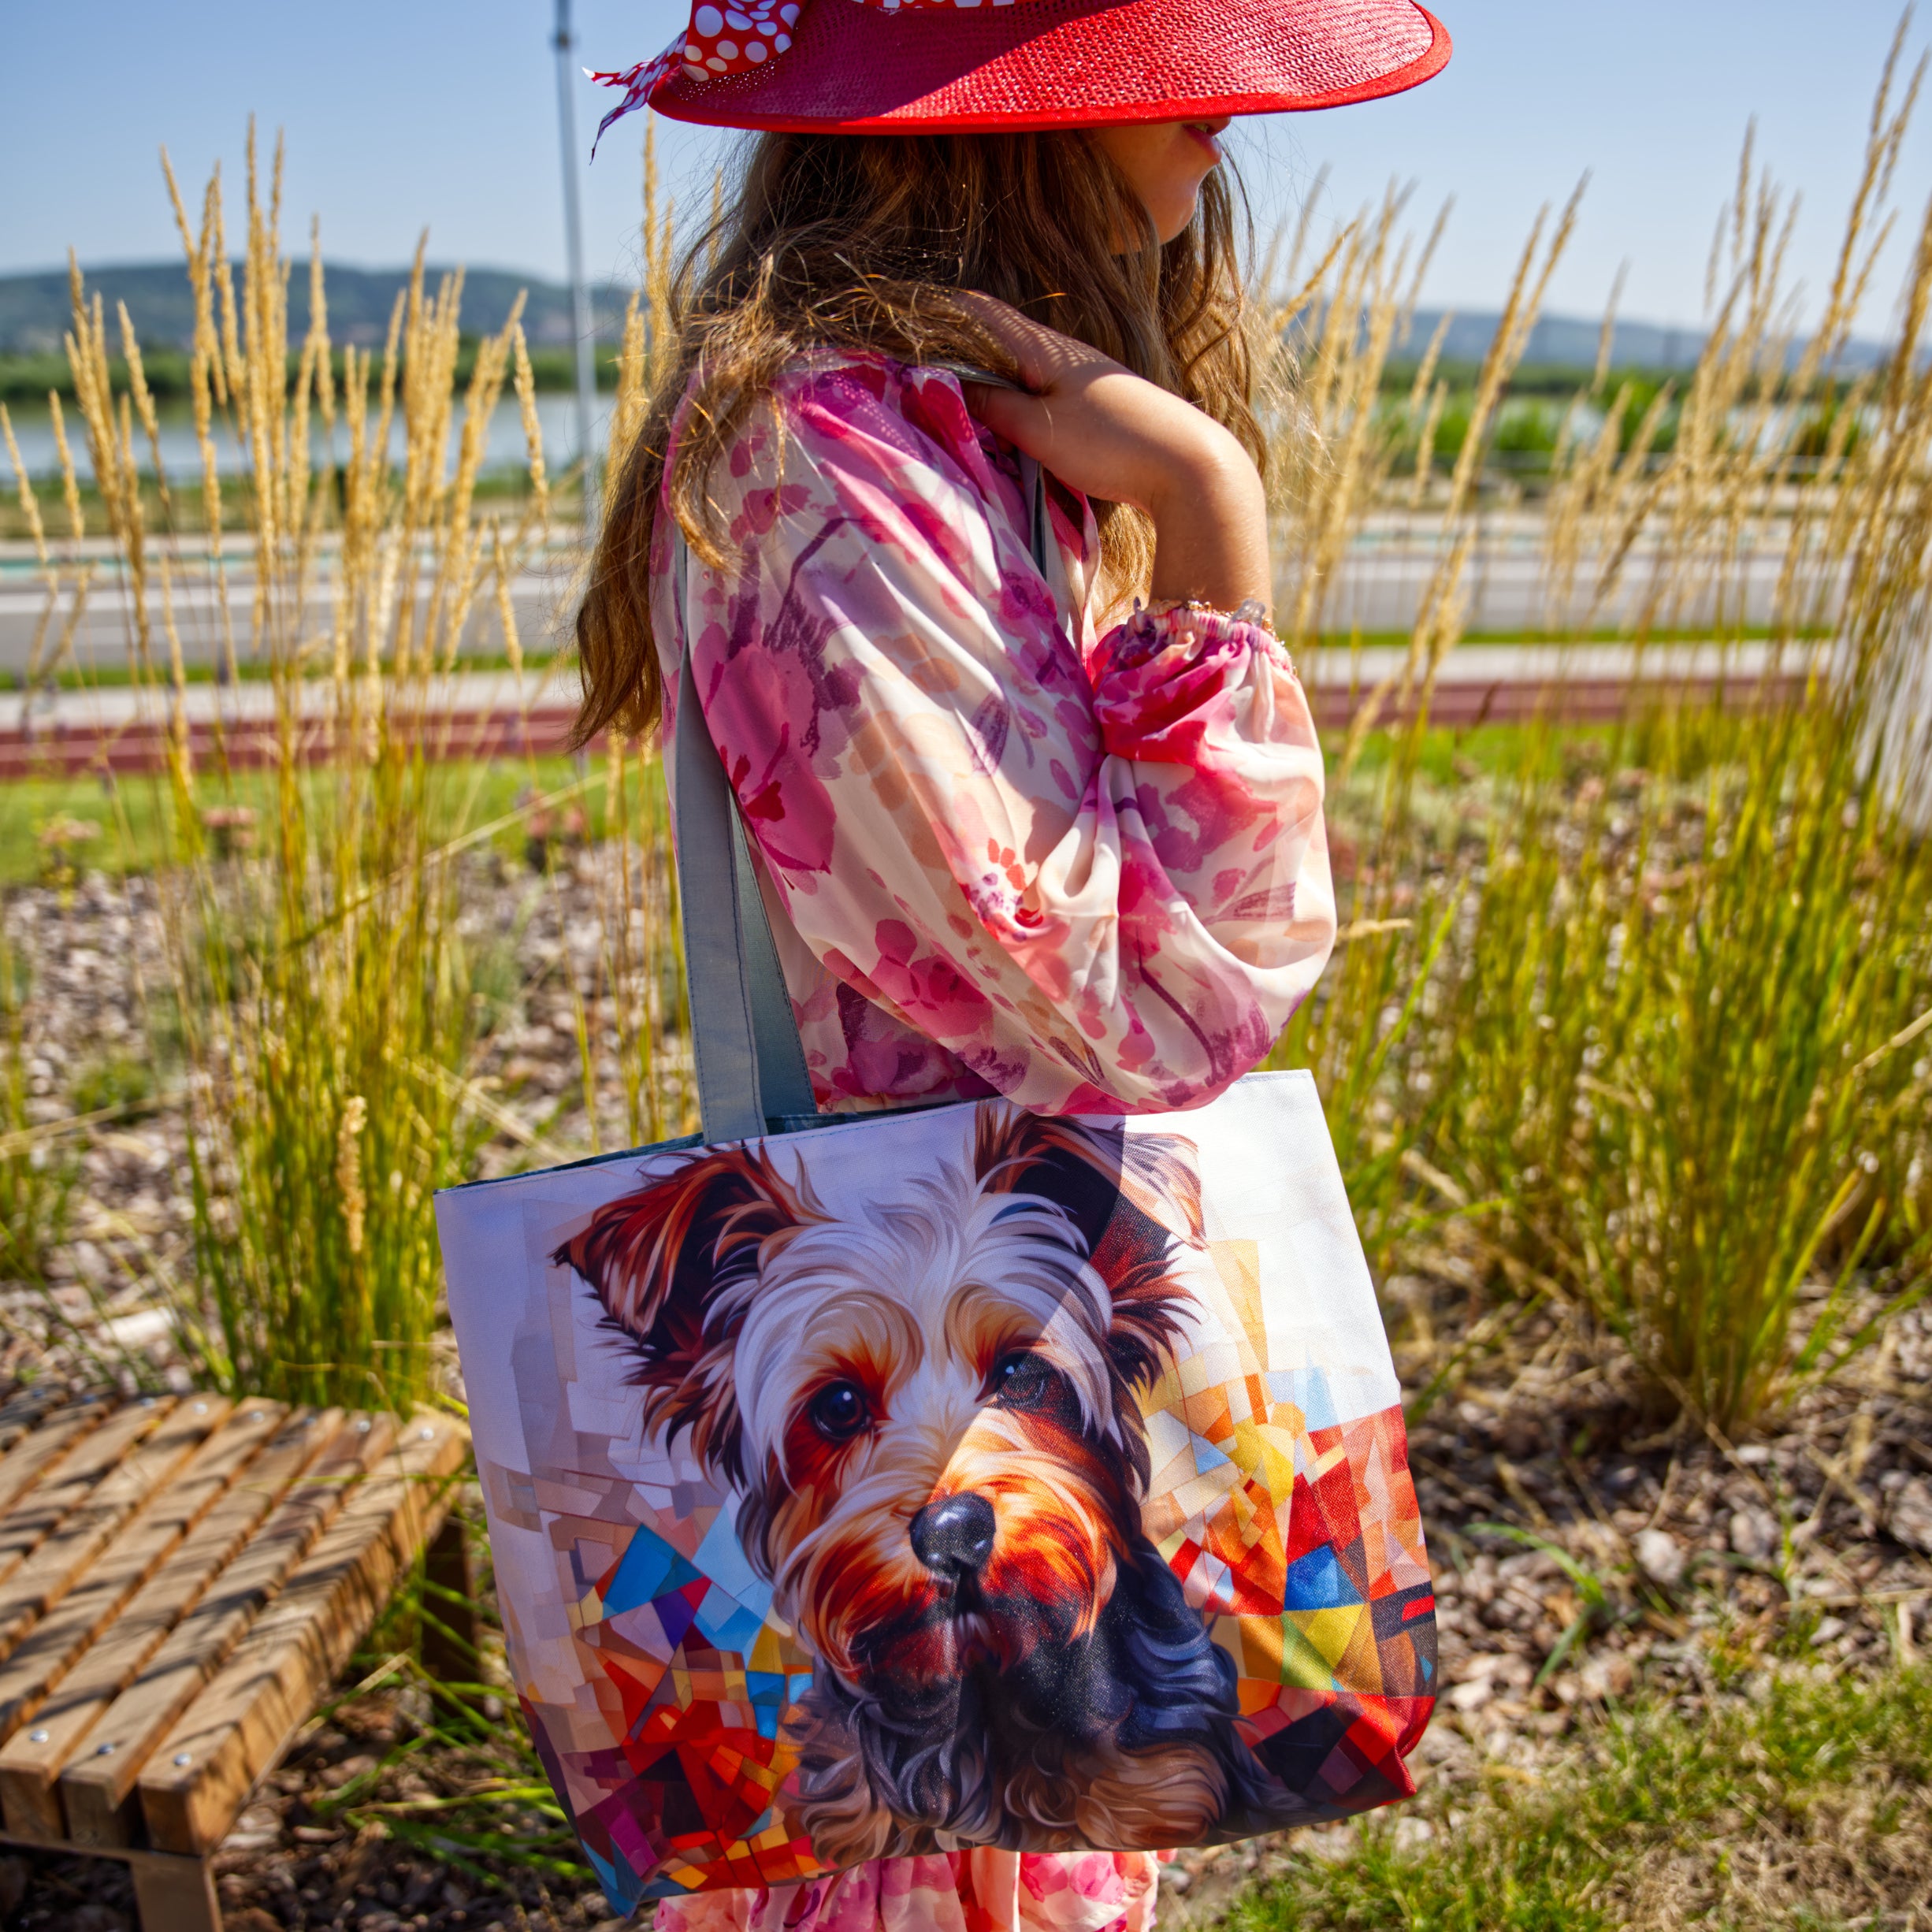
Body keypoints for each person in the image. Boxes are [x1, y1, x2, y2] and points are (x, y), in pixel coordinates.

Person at [570, 2, 1450, 1924]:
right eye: (1168, 61)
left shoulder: (954, 444)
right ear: (1009, 119)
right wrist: (1211, 518)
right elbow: (1151, 1003)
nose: (1222, 118)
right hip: (930, 1450)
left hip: (996, 1404)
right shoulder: (829, 472)